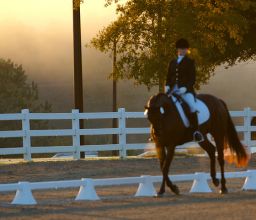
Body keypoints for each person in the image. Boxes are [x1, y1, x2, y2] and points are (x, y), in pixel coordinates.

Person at [165, 38, 204, 142]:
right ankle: (161, 131)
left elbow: (192, 78)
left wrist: (185, 88)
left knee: (192, 106)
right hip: (172, 90)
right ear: (177, 49)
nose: (183, 50)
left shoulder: (190, 62)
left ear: (187, 50)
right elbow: (169, 76)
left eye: (185, 49)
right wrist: (167, 85)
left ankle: (196, 132)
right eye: (181, 49)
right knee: (163, 105)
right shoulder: (172, 62)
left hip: (186, 91)